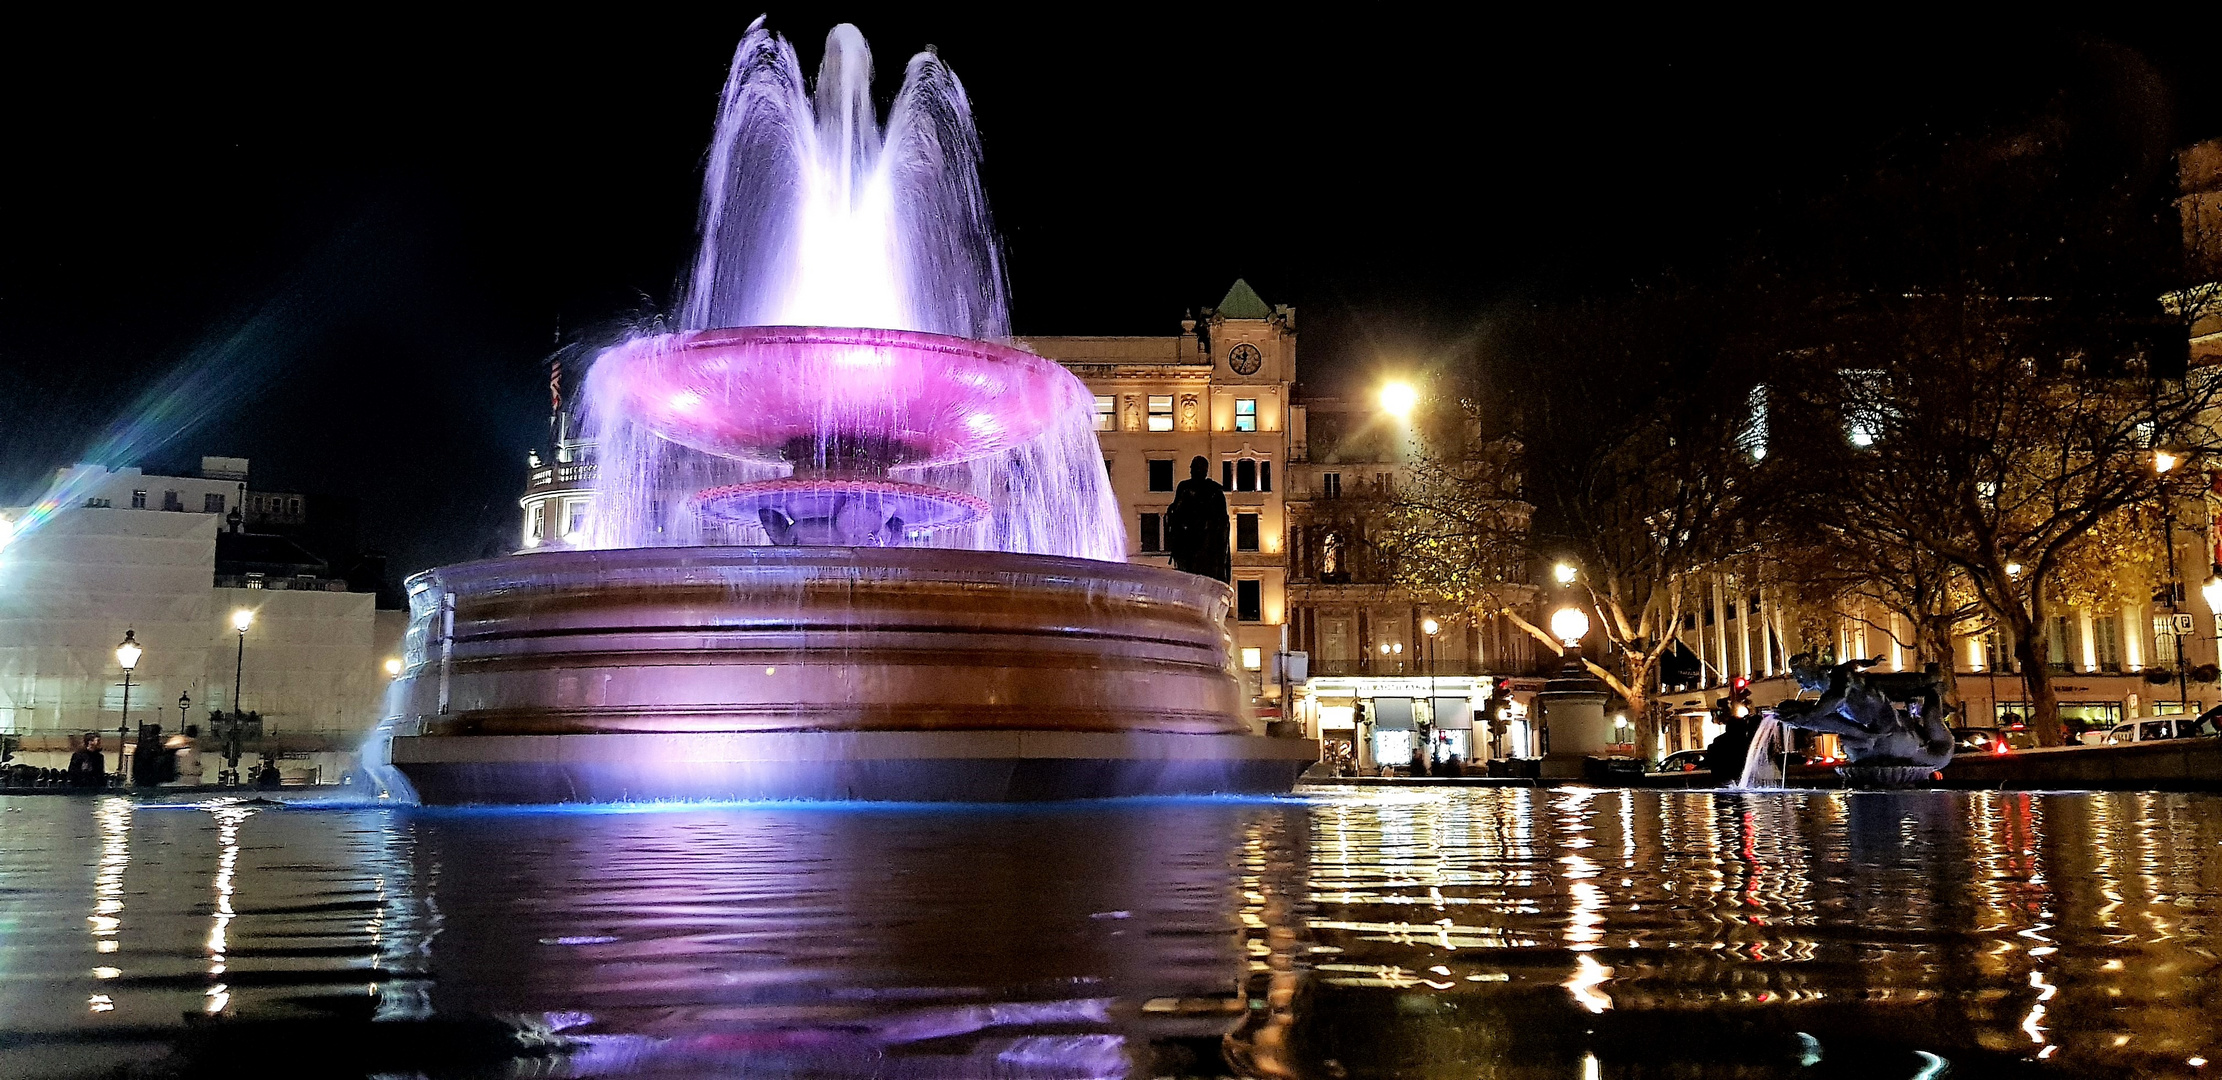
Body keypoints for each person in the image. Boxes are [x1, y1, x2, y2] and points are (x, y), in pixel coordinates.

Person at [1164, 456, 1230, 582]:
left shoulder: (1214, 490)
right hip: (1189, 535)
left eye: (1197, 469)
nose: (1193, 471)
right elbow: (1175, 510)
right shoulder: (1185, 487)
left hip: (1207, 538)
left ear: (1204, 471)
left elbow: (1222, 520)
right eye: (1194, 468)